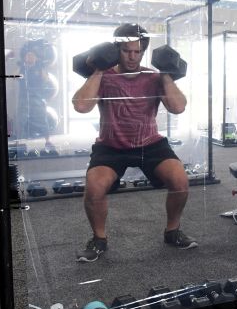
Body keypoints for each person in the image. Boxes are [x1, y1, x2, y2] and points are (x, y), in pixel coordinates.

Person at [71, 23, 194, 262]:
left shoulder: (154, 77)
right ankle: (99, 240)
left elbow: (178, 107)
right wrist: (97, 70)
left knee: (180, 180)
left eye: (137, 51)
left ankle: (172, 231)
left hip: (150, 143)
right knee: (94, 188)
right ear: (117, 50)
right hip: (111, 146)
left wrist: (166, 74)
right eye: (127, 51)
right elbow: (81, 106)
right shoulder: (104, 76)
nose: (132, 56)